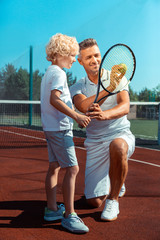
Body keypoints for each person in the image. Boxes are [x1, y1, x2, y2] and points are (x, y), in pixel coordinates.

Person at [70, 38, 135, 222]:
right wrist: (109, 89)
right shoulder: (77, 86)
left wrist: (105, 114)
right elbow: (84, 107)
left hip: (120, 134)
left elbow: (124, 107)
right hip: (95, 142)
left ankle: (113, 200)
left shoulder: (118, 77)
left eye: (97, 55)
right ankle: (116, 180)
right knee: (93, 201)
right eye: (89, 57)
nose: (95, 60)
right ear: (80, 61)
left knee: (118, 147)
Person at [40, 33, 90, 233]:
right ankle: (70, 215)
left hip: (51, 128)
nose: (73, 59)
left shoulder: (48, 73)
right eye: (71, 55)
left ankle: (52, 210)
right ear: (60, 54)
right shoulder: (59, 73)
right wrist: (77, 116)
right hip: (60, 129)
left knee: (54, 167)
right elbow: (55, 100)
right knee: (73, 169)